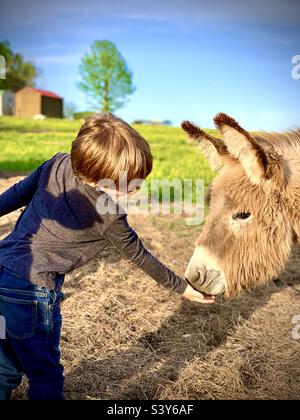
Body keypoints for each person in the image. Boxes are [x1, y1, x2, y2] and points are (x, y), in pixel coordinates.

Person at [0, 113, 217, 400]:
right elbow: (140, 256)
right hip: (32, 294)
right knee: (45, 374)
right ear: (98, 177)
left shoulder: (56, 163)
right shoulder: (108, 216)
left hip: (3, 272)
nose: (137, 188)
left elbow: (15, 195)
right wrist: (181, 287)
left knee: (5, 361)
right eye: (131, 183)